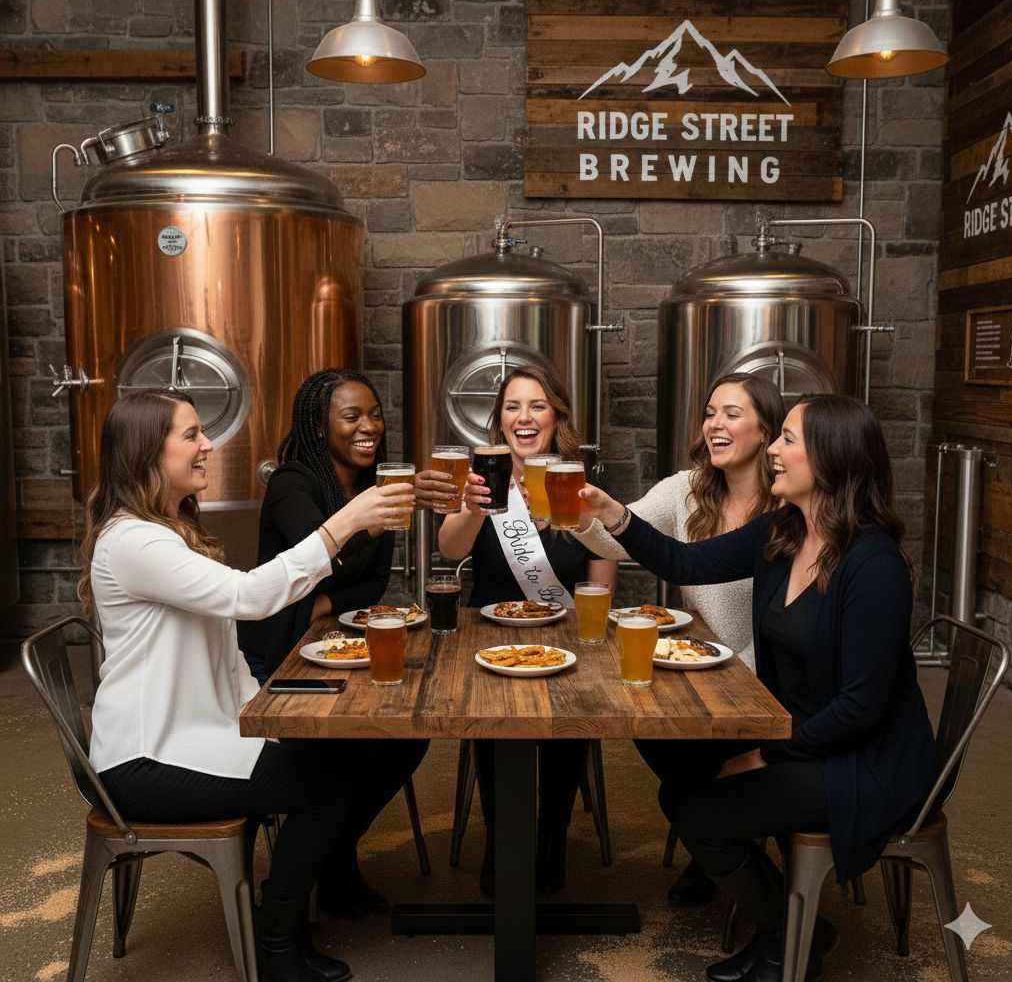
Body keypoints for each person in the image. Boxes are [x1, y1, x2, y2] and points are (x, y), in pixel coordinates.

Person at [581, 394, 939, 982]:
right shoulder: (784, 531)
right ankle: (794, 925)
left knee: (703, 817)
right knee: (684, 792)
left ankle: (788, 942)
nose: (773, 448)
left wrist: (764, 752)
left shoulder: (873, 566)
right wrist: (613, 515)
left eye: (788, 439)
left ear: (833, 458)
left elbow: (862, 707)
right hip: (804, 732)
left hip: (865, 760)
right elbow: (684, 563)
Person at [79, 389, 415, 982]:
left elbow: (226, 644)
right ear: (145, 454)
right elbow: (251, 598)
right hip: (143, 757)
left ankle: (296, 918)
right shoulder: (133, 540)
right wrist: (345, 523)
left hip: (195, 735)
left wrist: (260, 718)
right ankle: (276, 944)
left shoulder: (169, 529)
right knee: (324, 787)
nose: (208, 443)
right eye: (190, 435)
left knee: (333, 757)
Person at [575, 372, 785, 906]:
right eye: (710, 412)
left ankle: (716, 842)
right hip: (707, 665)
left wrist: (737, 676)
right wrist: (580, 519)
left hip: (768, 675)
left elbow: (785, 622)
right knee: (650, 726)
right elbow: (624, 541)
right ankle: (714, 843)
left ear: (766, 431)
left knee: (687, 759)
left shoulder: (787, 508)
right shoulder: (687, 488)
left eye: (731, 414)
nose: (714, 423)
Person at [415, 364, 617, 895]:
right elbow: (450, 550)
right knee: (490, 716)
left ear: (557, 418)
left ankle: (550, 838)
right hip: (488, 637)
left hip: (565, 636)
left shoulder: (578, 485)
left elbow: (604, 573)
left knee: (574, 712)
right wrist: (477, 508)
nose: (524, 417)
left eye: (537, 406)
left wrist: (585, 635)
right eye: (512, 407)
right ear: (499, 421)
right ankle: (502, 841)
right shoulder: (480, 479)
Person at [237, 368, 429, 918]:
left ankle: (336, 857)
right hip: (272, 659)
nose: (369, 426)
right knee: (339, 746)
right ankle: (324, 871)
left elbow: (367, 585)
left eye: (374, 414)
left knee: (404, 735)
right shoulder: (291, 483)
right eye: (352, 417)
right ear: (320, 428)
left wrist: (320, 603)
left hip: (331, 642)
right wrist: (359, 534)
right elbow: (317, 559)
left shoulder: (375, 490)